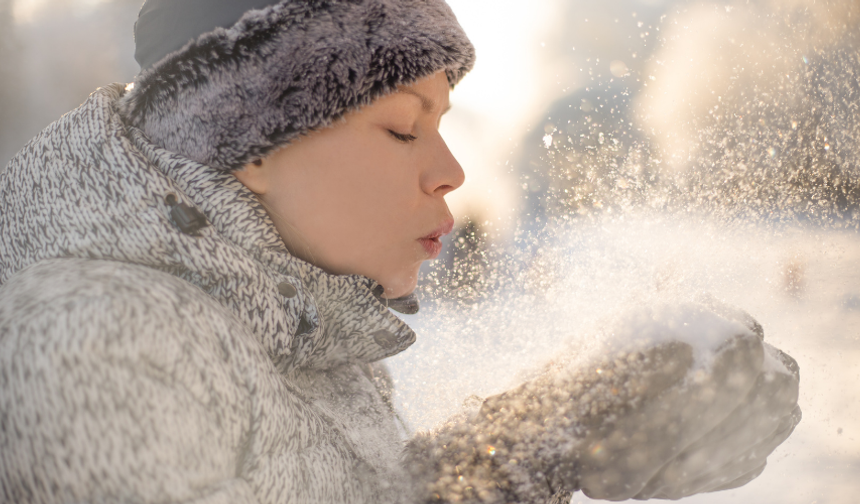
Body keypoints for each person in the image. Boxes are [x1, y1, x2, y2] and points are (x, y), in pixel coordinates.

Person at [0, 1, 801, 503]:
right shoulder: (91, 334)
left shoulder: (289, 331)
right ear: (248, 140)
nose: (450, 172)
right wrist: (533, 452)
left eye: (444, 123)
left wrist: (554, 432)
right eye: (401, 127)